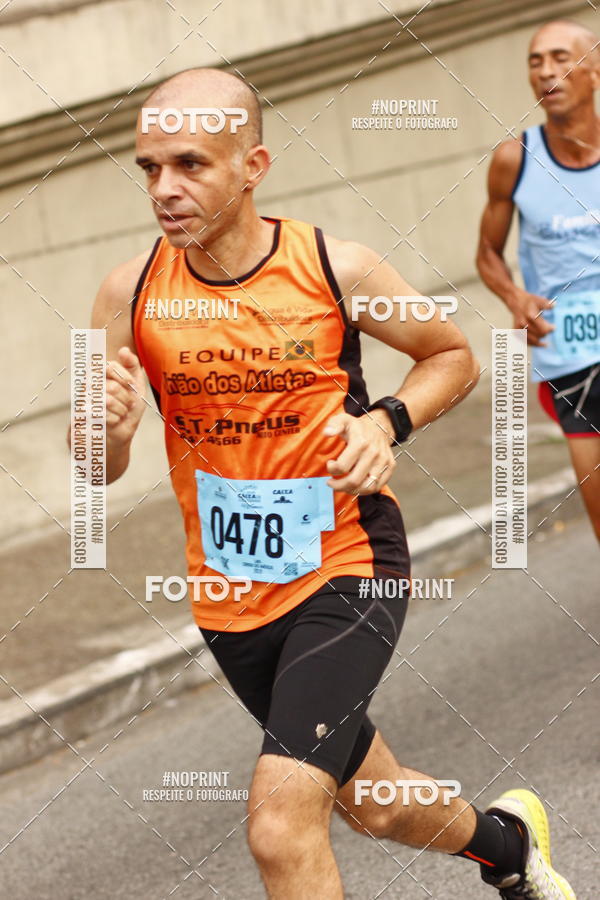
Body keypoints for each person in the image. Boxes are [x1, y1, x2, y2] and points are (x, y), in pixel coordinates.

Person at [87, 67, 576, 897]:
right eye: (148, 168)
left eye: (190, 164)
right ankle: (510, 848)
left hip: (346, 565)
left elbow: (453, 354)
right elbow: (98, 465)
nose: (164, 189)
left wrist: (385, 421)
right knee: (373, 804)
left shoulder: (333, 268)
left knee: (280, 826)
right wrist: (106, 432)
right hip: (228, 594)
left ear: (254, 164)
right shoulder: (126, 294)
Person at [477, 18, 600, 543]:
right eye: (535, 60)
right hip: (569, 356)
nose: (546, 71)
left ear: (594, 73)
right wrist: (515, 297)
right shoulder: (515, 159)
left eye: (559, 57)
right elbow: (486, 253)